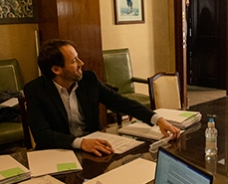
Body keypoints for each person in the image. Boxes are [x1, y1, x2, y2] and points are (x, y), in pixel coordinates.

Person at [24, 40, 181, 154]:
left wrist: (157, 120)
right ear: (56, 70)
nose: (81, 63)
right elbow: (42, 134)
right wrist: (81, 143)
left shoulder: (89, 80)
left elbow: (121, 103)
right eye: (74, 61)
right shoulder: (35, 90)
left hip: (95, 148)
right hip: (59, 152)